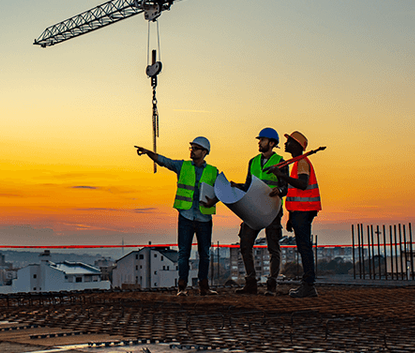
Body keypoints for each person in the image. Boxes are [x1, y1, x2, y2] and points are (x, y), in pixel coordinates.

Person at [135, 137, 219, 296]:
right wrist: (148, 153)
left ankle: (204, 287)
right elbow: (164, 161)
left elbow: (223, 191)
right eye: (191, 147)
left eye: (196, 148)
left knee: (205, 254)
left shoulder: (213, 171)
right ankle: (182, 288)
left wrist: (213, 200)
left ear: (204, 152)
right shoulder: (183, 166)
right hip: (186, 216)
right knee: (183, 253)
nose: (192, 150)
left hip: (204, 218)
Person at [229, 128, 288, 296]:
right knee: (245, 244)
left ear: (271, 143)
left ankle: (271, 284)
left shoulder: (280, 162)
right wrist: (237, 186)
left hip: (272, 210)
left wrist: (280, 190)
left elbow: (286, 187)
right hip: (253, 209)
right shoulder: (253, 161)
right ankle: (251, 283)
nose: (259, 142)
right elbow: (249, 184)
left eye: (262, 140)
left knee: (273, 248)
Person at [271, 131, 322, 298]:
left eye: (289, 141)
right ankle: (308, 284)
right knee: (303, 247)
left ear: (297, 145)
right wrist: (291, 216)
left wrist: (281, 176)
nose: (285, 144)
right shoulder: (297, 163)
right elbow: (295, 193)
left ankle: (308, 285)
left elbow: (302, 184)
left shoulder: (301, 163)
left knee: (304, 247)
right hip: (300, 211)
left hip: (304, 210)